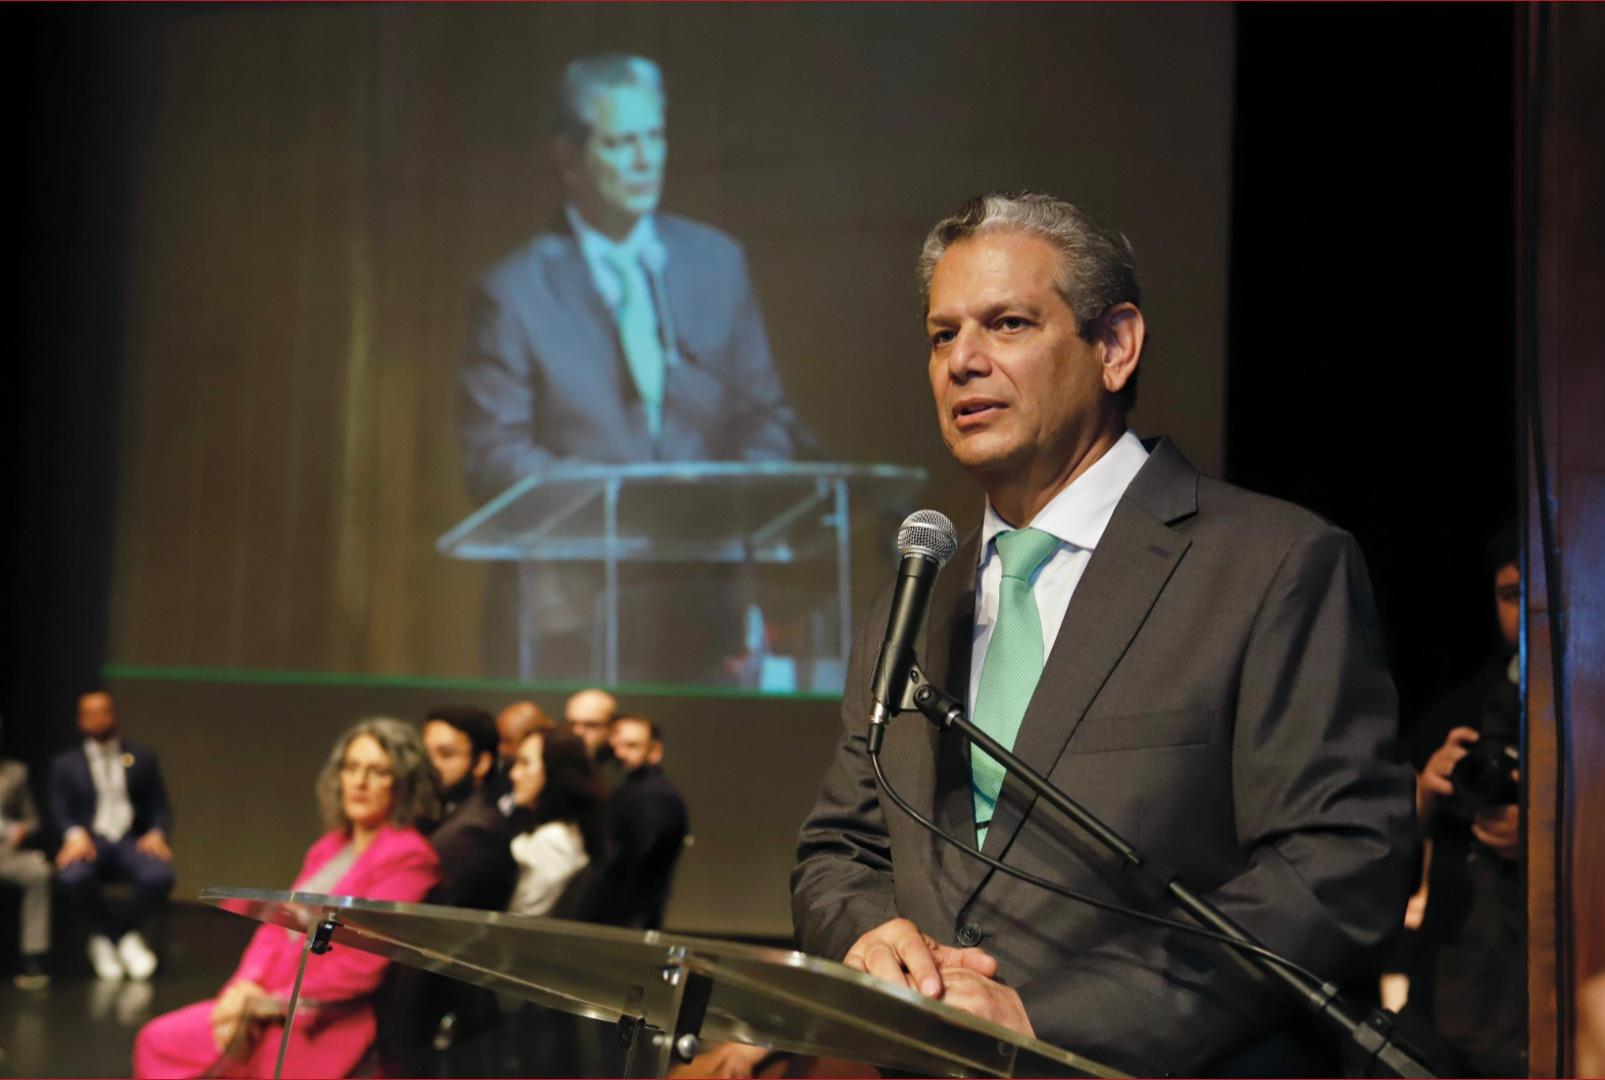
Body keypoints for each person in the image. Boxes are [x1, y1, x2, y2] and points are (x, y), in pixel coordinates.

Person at [790, 192, 1415, 1076]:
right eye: (941, 335)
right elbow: (838, 848)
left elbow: (1339, 863)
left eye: (1005, 324)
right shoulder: (916, 595)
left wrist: (1048, 1017)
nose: (963, 361)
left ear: (1114, 345)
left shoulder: (1272, 563)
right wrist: (869, 933)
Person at [457, 52, 802, 682]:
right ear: (568, 156)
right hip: (569, 622)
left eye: (654, 137)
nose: (646, 159)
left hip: (702, 613)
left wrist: (717, 504)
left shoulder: (716, 264)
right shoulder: (514, 290)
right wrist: (628, 505)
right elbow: (493, 456)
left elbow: (767, 424)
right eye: (621, 142)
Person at [133, 718, 440, 1079]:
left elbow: (360, 966)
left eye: (378, 772)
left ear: (403, 784)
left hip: (326, 1020)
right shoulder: (328, 848)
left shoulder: (409, 857)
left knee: (176, 1045)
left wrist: (271, 1003)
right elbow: (276, 929)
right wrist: (243, 988)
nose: (360, 782)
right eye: (352, 768)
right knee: (159, 1039)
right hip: (264, 1002)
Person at [1400, 528, 1524, 1076]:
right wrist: (1426, 790)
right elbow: (1382, 838)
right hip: (1450, 987)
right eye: (1509, 595)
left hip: (1544, 988)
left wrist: (1543, 836)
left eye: (1533, 594)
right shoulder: (1463, 705)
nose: (1523, 611)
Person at [51, 690, 175, 982]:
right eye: (90, 713)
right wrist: (73, 833)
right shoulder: (66, 764)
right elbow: (59, 809)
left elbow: (160, 806)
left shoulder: (141, 757)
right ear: (81, 721)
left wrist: (157, 832)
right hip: (91, 841)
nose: (98, 719)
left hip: (130, 840)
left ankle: (112, 935)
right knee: (72, 877)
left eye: (103, 711)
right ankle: (117, 938)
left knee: (159, 876)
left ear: (114, 714)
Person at [595, 714, 689, 929]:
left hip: (629, 920)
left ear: (655, 750)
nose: (620, 753)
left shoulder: (653, 797)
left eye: (631, 745)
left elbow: (639, 862)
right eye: (615, 746)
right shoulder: (631, 789)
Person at [420, 706, 517, 910]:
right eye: (424, 754)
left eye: (445, 755)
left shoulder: (475, 831)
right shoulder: (446, 812)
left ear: (482, 763)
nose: (430, 765)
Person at [506, 728, 603, 918]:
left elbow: (522, 920)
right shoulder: (562, 831)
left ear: (555, 772)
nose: (514, 774)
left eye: (525, 763)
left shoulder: (553, 840)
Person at [1, 712, 52, 989]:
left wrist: (23, 829)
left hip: (5, 852)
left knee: (38, 872)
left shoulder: (15, 772)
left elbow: (33, 820)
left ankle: (34, 957)